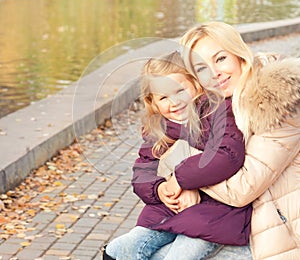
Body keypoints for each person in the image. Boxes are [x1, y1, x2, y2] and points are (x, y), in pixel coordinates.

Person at [157, 21, 300, 259]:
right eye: (201, 68)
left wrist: (186, 175)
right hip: (251, 224)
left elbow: (243, 188)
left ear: (238, 55)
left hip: (284, 235)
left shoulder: (279, 102)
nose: (214, 73)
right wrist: (171, 184)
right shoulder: (223, 104)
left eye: (220, 58)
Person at [103, 50, 253, 260]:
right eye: (163, 97)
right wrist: (160, 188)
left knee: (179, 255)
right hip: (167, 211)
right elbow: (142, 173)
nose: (174, 102)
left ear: (196, 84)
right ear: (153, 102)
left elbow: (227, 155)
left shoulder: (217, 112)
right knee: (124, 248)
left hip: (214, 213)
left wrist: (181, 179)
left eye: (179, 90)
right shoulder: (158, 130)